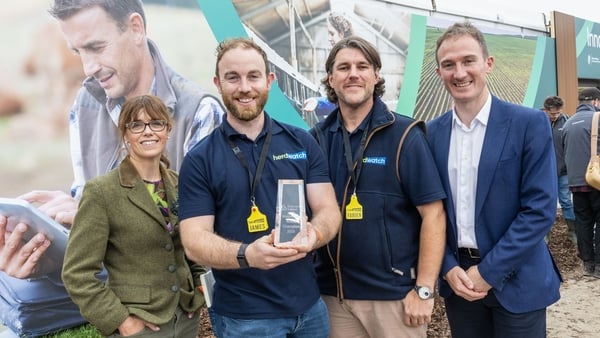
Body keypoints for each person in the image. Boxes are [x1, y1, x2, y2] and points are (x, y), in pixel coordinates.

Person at [0, 0, 224, 279]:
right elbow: (85, 211)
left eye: (96, 47)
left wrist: (92, 214)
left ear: (135, 29)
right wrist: (43, 249)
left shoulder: (200, 113)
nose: (88, 67)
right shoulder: (85, 105)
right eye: (78, 51)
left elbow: (199, 243)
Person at [177, 37, 341, 337]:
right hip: (245, 320)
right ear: (218, 83)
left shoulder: (302, 142)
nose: (244, 87)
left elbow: (328, 210)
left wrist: (314, 234)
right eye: (232, 77)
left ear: (269, 81)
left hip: (309, 310)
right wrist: (246, 255)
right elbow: (193, 241)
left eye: (253, 76)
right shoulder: (200, 159)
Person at [426, 22, 561, 338]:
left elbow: (539, 209)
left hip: (518, 281)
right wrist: (446, 268)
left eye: (468, 61)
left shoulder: (529, 123)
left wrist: (489, 272)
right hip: (459, 282)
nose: (459, 72)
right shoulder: (430, 134)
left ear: (488, 64)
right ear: (439, 72)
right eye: (449, 65)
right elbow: (430, 212)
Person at [310, 36, 447, 338]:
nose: (353, 74)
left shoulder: (405, 135)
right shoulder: (316, 140)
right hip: (333, 298)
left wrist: (424, 289)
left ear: (376, 74)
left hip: (394, 299)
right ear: (331, 79)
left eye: (362, 66)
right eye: (343, 67)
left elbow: (434, 215)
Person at [62, 95, 204, 337]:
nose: (148, 131)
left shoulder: (180, 184)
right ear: (125, 134)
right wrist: (121, 320)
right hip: (141, 323)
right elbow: (76, 273)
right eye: (137, 125)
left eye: (156, 123)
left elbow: (190, 247)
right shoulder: (102, 191)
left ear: (167, 130)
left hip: (186, 319)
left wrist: (200, 287)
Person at [561, 87, 600, 278]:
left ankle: (588, 265)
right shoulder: (597, 117)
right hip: (596, 181)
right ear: (595, 101)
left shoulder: (568, 123)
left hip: (575, 183)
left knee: (583, 223)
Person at [303, 12, 355, 122]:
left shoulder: (349, 60)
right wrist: (318, 102)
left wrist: (319, 103)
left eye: (332, 33)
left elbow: (344, 100)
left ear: (341, 33)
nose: (329, 38)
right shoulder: (340, 57)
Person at [543, 95, 577, 244]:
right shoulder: (537, 120)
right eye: (552, 113)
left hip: (563, 171)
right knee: (546, 202)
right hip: (543, 172)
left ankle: (573, 232)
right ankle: (545, 233)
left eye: (558, 112)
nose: (555, 116)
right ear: (546, 110)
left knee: (566, 201)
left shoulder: (567, 121)